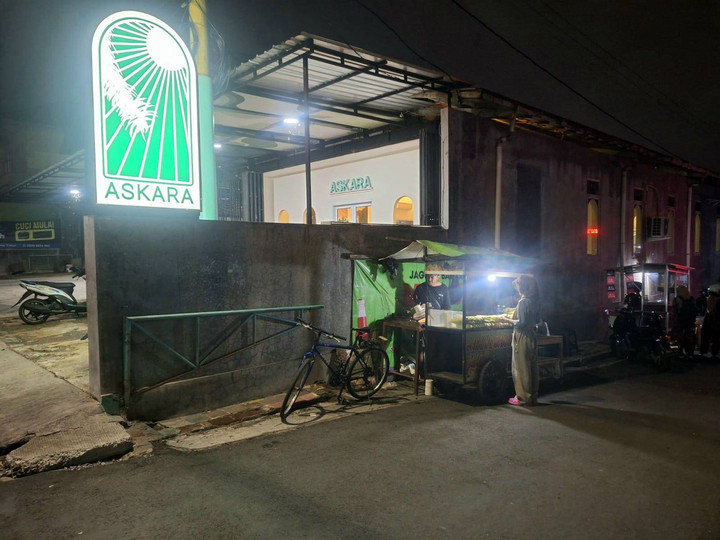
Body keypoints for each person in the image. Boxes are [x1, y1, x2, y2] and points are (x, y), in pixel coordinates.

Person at [508, 274, 541, 407]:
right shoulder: (535, 300)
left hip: (522, 336)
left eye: (519, 284)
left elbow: (520, 323)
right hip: (531, 335)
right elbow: (537, 320)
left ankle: (523, 398)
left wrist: (507, 320)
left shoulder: (523, 302)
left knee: (522, 368)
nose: (517, 286)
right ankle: (533, 396)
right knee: (531, 367)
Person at [673, 285, 698, 357]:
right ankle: (690, 352)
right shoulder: (691, 299)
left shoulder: (677, 300)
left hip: (680, 321)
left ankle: (680, 352)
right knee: (690, 336)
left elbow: (675, 311)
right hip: (690, 321)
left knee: (680, 337)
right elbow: (696, 310)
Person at [700, 283, 720, 359]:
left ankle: (705, 351)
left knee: (706, 336)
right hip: (715, 320)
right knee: (715, 337)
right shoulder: (716, 300)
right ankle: (714, 352)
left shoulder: (708, 299)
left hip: (709, 319)